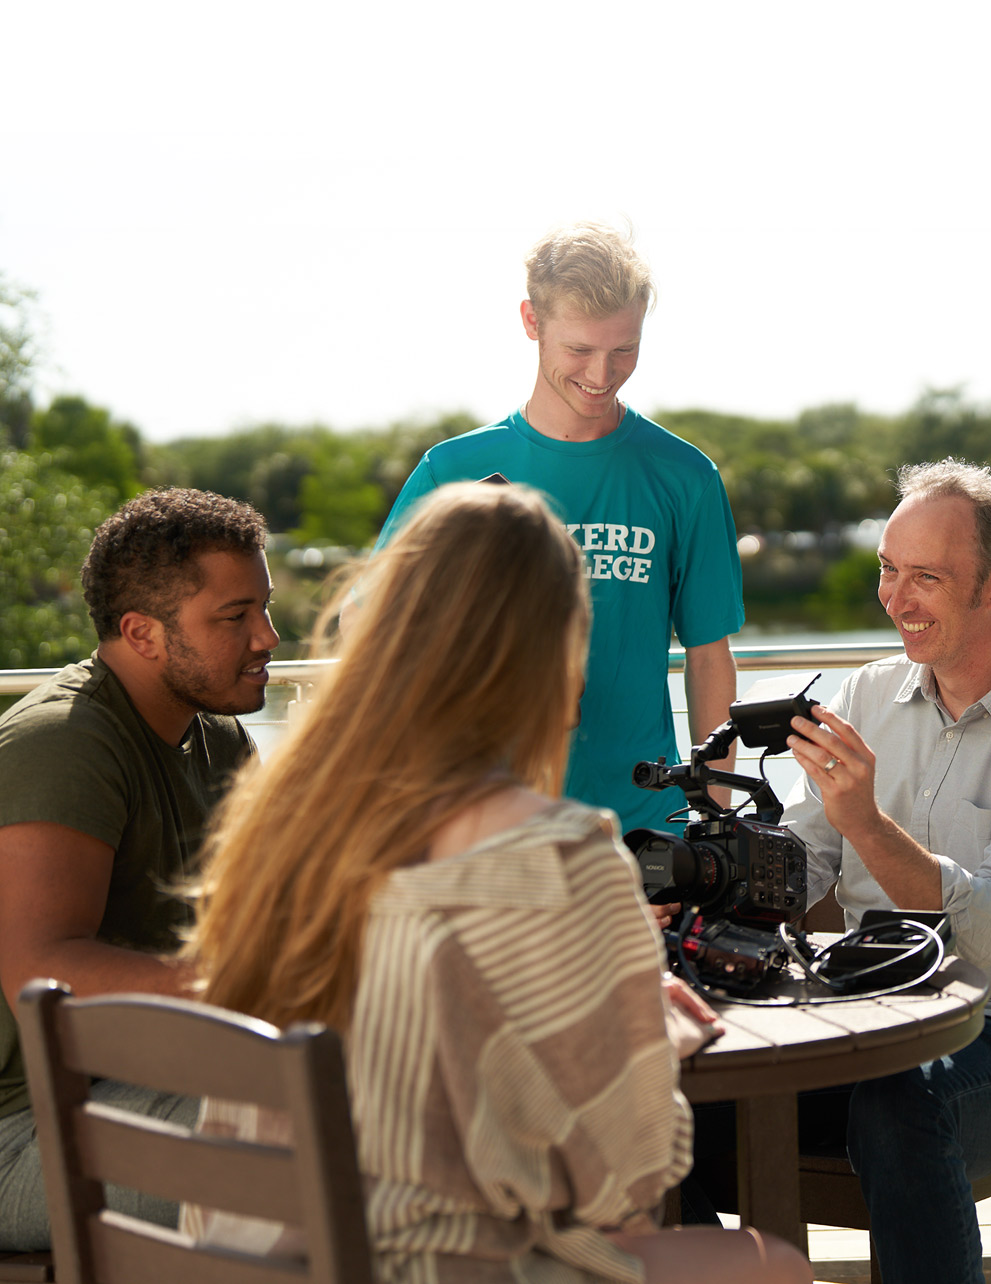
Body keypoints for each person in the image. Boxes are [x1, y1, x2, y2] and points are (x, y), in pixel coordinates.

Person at [184, 483, 807, 1284]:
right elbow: (629, 1180)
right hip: (429, 1268)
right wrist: (653, 1034)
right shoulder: (560, 855)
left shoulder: (286, 826)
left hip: (261, 1259)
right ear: (554, 656)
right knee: (770, 1266)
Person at [763, 459, 991, 1284]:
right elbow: (802, 858)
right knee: (677, 1106)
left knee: (900, 1103)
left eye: (925, 577)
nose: (895, 599)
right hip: (865, 1014)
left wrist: (867, 823)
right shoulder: (867, 694)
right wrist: (711, 882)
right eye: (889, 571)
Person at [375, 221, 744, 832]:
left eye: (624, 349)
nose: (603, 373)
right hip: (486, 824)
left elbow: (709, 658)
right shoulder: (453, 471)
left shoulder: (686, 476)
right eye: (580, 350)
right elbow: (368, 623)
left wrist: (714, 819)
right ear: (531, 321)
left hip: (647, 825)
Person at [0, 488, 277, 1250]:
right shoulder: (64, 745)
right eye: (236, 616)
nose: (268, 637)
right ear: (142, 634)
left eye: (265, 608)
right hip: (26, 1128)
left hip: (147, 1080)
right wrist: (253, 986)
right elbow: (39, 969)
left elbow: (266, 919)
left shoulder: (218, 741)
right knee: (342, 1133)